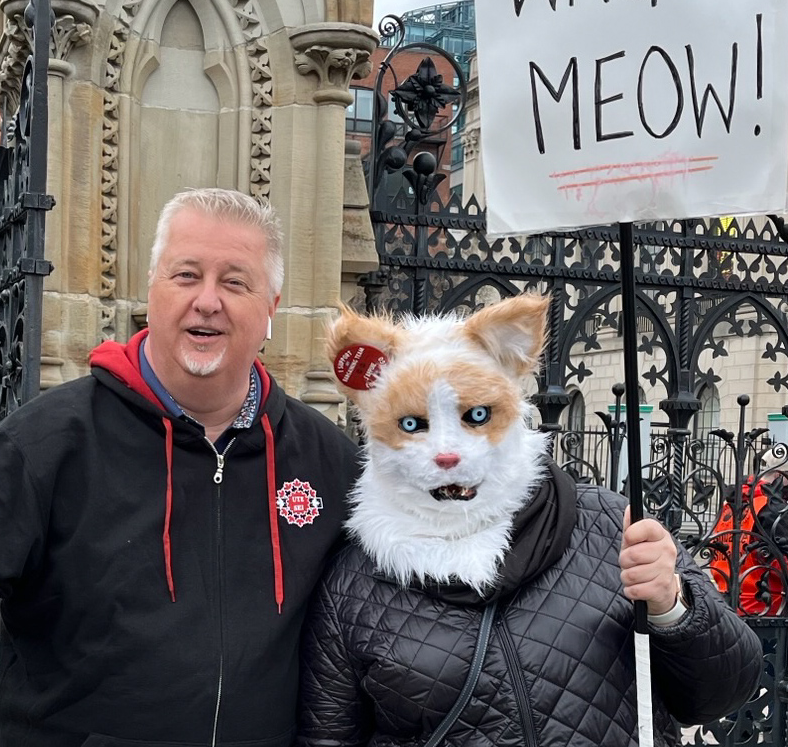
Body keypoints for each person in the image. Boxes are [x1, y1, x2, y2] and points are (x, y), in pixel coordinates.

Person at [0, 188, 360, 744]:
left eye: (236, 282)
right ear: (152, 290)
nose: (208, 300)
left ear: (271, 308)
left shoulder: (329, 461)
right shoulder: (46, 445)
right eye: (186, 275)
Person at [299, 296, 762, 747]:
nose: (446, 453)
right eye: (413, 425)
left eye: (475, 416)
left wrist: (671, 608)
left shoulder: (606, 524)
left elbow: (724, 691)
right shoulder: (353, 588)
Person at [706, 469, 788, 616]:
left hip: (725, 602)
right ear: (779, 474)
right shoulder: (770, 508)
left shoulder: (729, 507)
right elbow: (783, 565)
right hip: (763, 607)